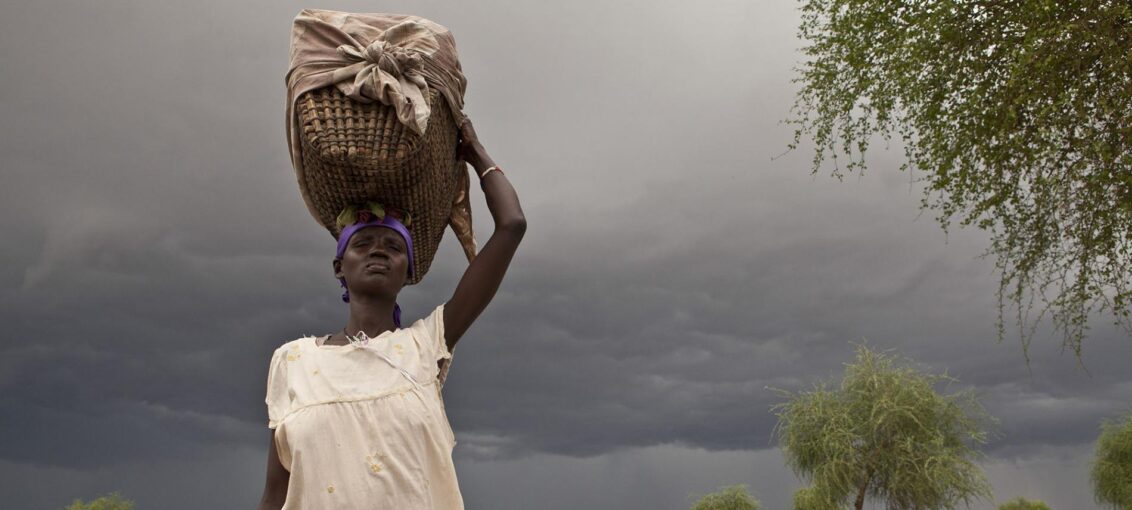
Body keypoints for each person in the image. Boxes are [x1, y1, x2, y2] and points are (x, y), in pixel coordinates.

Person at [256, 119, 525, 509]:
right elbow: (275, 494)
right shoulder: (292, 361)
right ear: (339, 267)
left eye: (393, 247)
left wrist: (475, 152)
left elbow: (512, 226)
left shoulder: (426, 346)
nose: (378, 251)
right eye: (362, 243)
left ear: (407, 269)